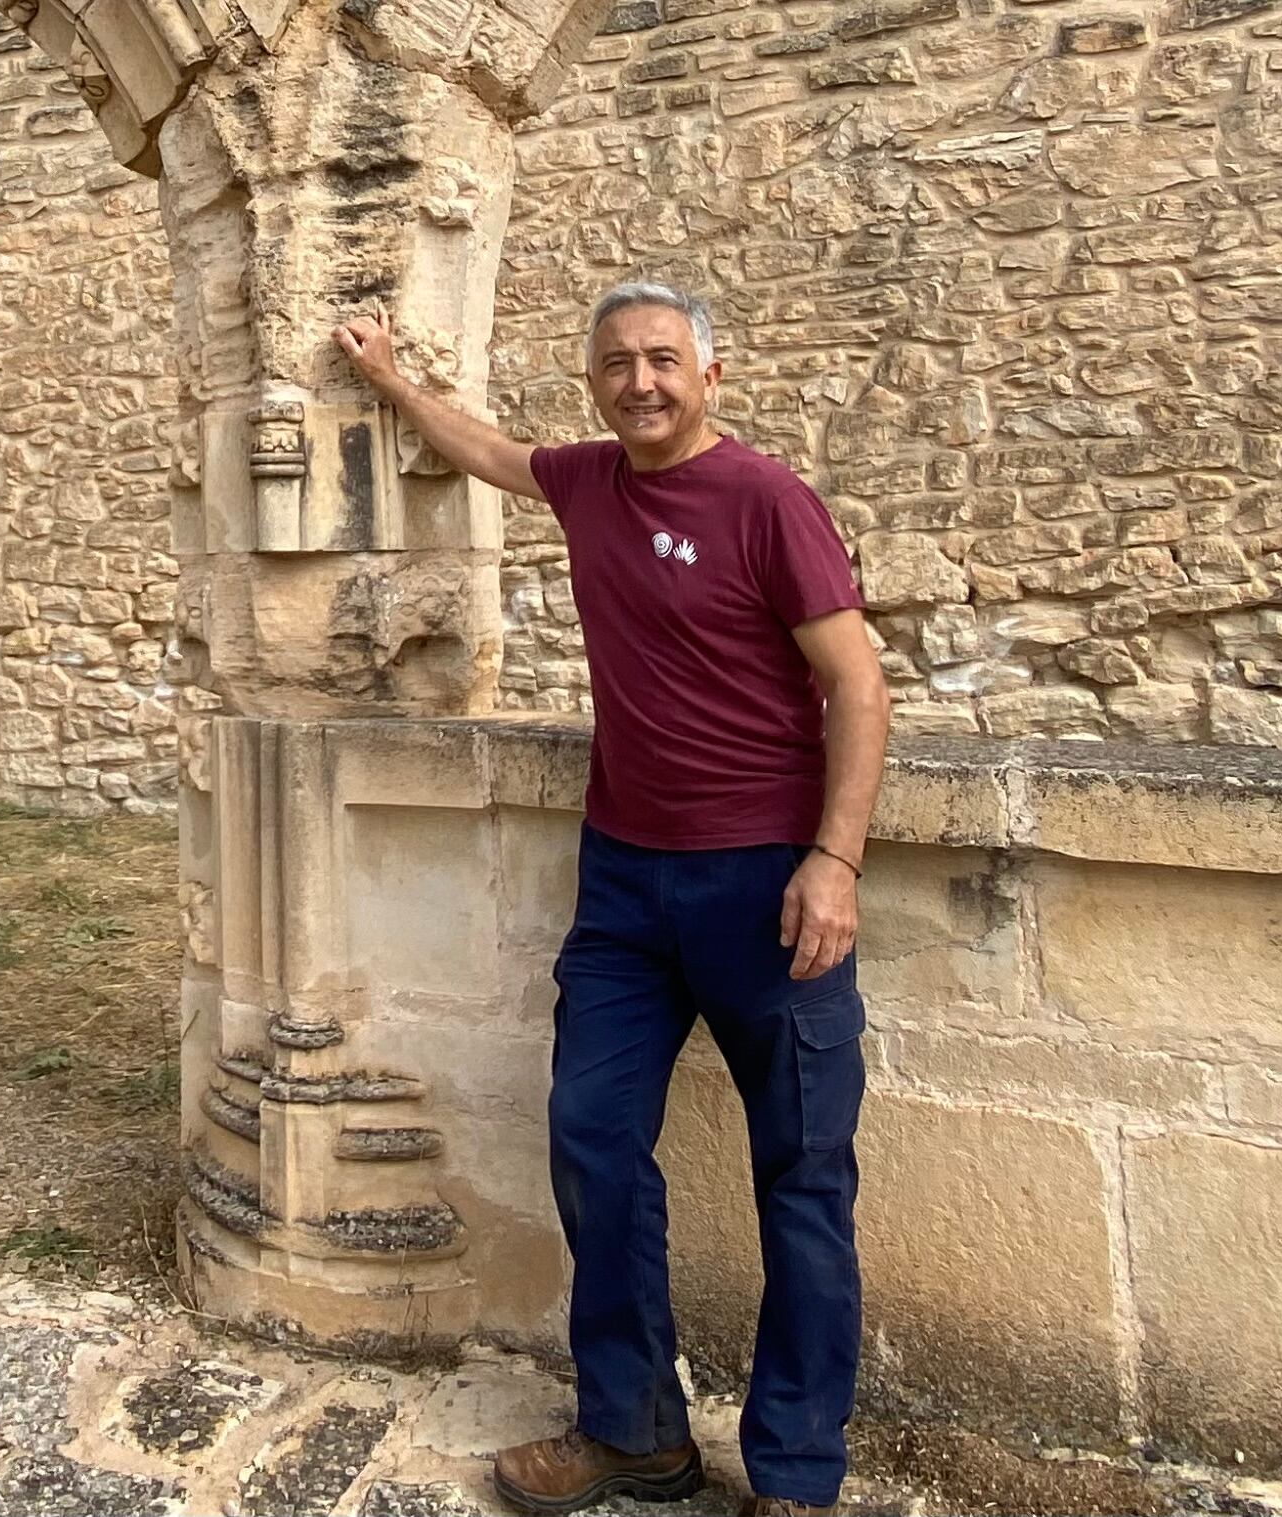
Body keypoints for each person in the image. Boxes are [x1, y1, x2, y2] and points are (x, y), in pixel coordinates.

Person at [335, 283, 889, 1517]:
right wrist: (385, 381)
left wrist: (833, 858)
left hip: (765, 884)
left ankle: (795, 1471)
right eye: (614, 365)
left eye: (660, 361)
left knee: (800, 1171)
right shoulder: (588, 482)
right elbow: (487, 451)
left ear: (708, 371)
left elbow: (855, 683)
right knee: (590, 1141)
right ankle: (634, 1429)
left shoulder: (765, 499)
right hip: (625, 883)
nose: (638, 382)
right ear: (591, 381)